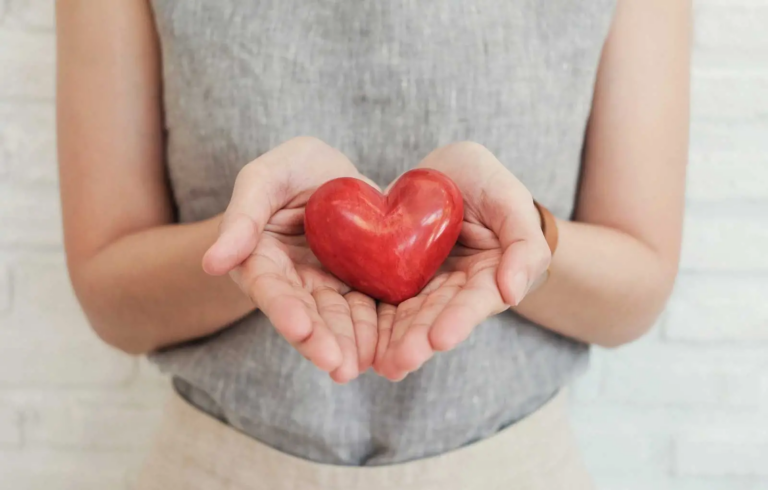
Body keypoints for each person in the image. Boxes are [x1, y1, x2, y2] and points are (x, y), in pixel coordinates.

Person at [56, 0, 689, 488]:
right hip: (218, 470)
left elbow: (637, 288)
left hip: (515, 468)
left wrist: (524, 236)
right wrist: (247, 246)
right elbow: (109, 296)